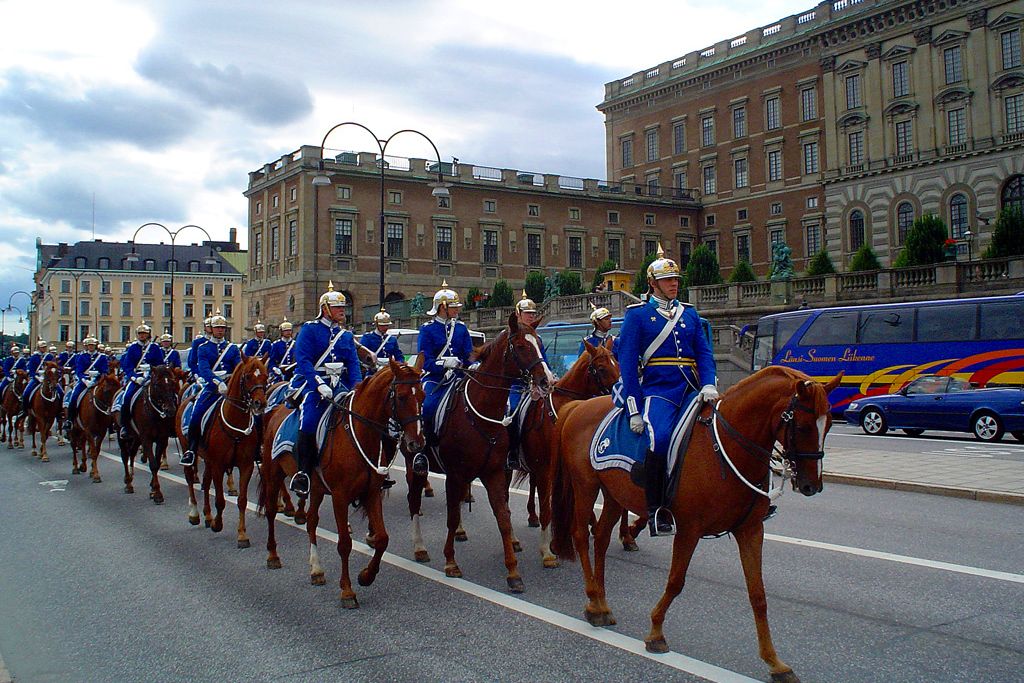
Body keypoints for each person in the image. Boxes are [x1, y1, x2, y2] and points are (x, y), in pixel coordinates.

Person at [617, 244, 717, 537]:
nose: (674, 284)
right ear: (653, 283)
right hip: (659, 390)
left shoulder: (690, 314)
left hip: (692, 388)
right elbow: (627, 365)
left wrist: (709, 382)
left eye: (676, 280)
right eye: (667, 280)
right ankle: (656, 508)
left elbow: (704, 353)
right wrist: (634, 409)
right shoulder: (637, 316)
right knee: (659, 439)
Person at [287, 281, 361, 497]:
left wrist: (356, 387)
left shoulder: (345, 335)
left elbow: (353, 363)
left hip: (341, 386)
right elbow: (303, 360)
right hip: (315, 385)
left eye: (343, 308)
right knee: (309, 420)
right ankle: (303, 473)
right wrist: (318, 384)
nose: (342, 312)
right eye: (338, 308)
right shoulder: (310, 330)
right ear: (325, 309)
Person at [416, 279, 473, 474]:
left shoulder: (461, 328)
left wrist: (474, 365)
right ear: (443, 307)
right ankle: (425, 450)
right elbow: (426, 361)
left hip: (458, 378)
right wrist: (444, 364)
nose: (457, 310)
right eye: (453, 307)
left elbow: (468, 355)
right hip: (435, 379)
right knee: (429, 406)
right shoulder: (428, 329)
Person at [180, 312, 243, 467]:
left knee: (250, 413)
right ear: (211, 329)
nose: (220, 330)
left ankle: (255, 448)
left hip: (229, 386)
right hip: (211, 387)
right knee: (196, 414)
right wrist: (217, 382)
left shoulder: (232, 348)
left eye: (222, 328)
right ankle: (192, 450)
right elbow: (204, 369)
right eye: (217, 328)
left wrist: (232, 381)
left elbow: (238, 366)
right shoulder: (203, 348)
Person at [115, 323, 164, 440]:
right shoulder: (133, 348)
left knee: (166, 396)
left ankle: (168, 423)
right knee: (127, 398)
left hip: (152, 378)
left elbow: (160, 364)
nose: (142, 336)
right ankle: (125, 426)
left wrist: (155, 374)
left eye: (144, 333)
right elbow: (127, 366)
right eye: (140, 333)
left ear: (148, 335)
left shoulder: (155, 348)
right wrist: (135, 377)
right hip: (137, 378)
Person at [62, 337, 109, 433]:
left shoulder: (102, 356)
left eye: (92, 345)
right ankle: (70, 420)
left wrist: (99, 380)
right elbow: (79, 371)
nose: (91, 347)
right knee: (74, 397)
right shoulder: (81, 356)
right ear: (87, 346)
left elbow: (104, 370)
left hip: (97, 381)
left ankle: (110, 422)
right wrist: (85, 380)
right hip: (84, 381)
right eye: (89, 345)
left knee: (108, 396)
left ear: (95, 346)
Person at [20, 340, 56, 416]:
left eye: (45, 347)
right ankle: (24, 411)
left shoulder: (49, 356)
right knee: (26, 393)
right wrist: (37, 377)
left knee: (60, 392)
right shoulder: (34, 357)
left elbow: (54, 367)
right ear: (39, 348)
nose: (44, 348)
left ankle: (59, 412)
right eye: (42, 347)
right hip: (37, 378)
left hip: (48, 378)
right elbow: (31, 370)